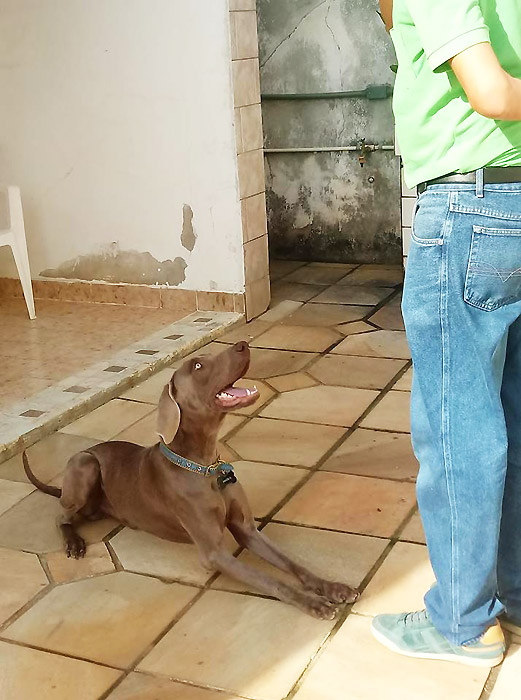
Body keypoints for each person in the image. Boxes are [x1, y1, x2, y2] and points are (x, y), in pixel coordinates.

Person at [372, 0, 521, 667]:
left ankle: (463, 622)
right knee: (512, 417)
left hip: (469, 205)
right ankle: (515, 593)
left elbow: (490, 93)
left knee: (458, 428)